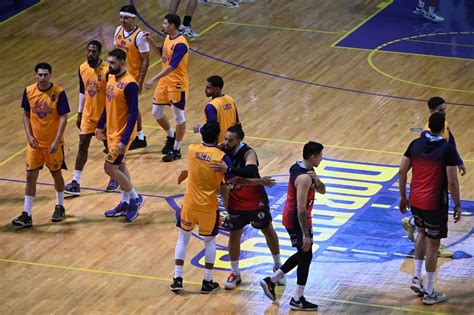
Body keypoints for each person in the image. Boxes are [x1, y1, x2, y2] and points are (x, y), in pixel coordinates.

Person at [171, 121, 275, 294]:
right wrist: (261, 181)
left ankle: (177, 279)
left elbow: (198, 164)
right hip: (208, 206)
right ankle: (207, 281)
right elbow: (236, 181)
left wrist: (188, 172)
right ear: (219, 136)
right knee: (209, 241)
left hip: (189, 204)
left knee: (182, 239)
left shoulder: (191, 149)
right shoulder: (221, 157)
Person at [209, 124, 282, 290]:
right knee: (234, 235)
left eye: (230, 140)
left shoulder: (249, 152)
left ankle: (278, 267)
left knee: (267, 230)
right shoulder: (222, 150)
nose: (226, 142)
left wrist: (228, 169)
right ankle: (235, 272)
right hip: (235, 201)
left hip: (255, 199)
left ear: (239, 140)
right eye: (225, 138)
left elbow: (250, 170)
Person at [399, 112, 462, 305]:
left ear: (427, 127)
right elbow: (452, 182)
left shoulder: (415, 144)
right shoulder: (447, 149)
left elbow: (402, 170)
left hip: (416, 201)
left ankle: (417, 278)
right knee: (433, 247)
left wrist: (402, 196)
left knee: (421, 234)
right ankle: (429, 292)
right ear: (443, 128)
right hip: (435, 204)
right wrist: (458, 204)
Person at [260, 141, 325, 311]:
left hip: (297, 217)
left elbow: (323, 190)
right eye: (320, 156)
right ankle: (296, 298)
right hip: (297, 219)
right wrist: (305, 234)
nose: (322, 159)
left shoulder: (301, 167)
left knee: (305, 254)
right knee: (306, 252)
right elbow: (301, 208)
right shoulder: (303, 178)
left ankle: (273, 280)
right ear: (313, 157)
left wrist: (317, 181)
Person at [401, 96, 466, 257]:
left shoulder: (444, 125)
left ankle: (410, 223)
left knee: (431, 217)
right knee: (435, 215)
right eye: (440, 110)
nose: (444, 113)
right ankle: (436, 247)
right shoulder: (426, 132)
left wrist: (458, 161)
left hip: (440, 174)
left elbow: (451, 143)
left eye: (445, 110)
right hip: (433, 179)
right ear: (431, 112)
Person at [12, 62, 70, 228]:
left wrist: (56, 140)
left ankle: (60, 206)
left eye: (46, 74)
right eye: (40, 74)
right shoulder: (29, 91)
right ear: (36, 75)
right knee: (30, 176)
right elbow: (25, 113)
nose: (43, 77)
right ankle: (27, 213)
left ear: (50, 75)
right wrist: (29, 135)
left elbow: (64, 117)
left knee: (56, 174)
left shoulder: (58, 93)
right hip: (35, 143)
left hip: (53, 144)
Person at [95, 49, 144, 222]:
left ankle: (135, 198)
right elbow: (107, 104)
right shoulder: (110, 77)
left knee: (109, 168)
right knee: (120, 166)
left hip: (122, 133)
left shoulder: (130, 84)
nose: (110, 66)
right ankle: (125, 202)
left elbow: (133, 113)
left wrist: (124, 140)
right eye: (109, 62)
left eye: (113, 63)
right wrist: (100, 124)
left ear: (123, 62)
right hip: (112, 131)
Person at [64, 40, 118, 196]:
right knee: (82, 145)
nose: (90, 54)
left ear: (99, 53)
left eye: (94, 51)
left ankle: (114, 178)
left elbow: (112, 95)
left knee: (110, 148)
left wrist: (109, 117)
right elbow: (83, 91)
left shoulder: (107, 71)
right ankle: (76, 181)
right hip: (88, 115)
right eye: (89, 51)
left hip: (105, 116)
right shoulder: (82, 68)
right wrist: (80, 113)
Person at [145, 13, 189, 162]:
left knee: (179, 117)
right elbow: (162, 55)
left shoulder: (181, 44)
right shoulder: (168, 38)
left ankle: (176, 150)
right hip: (165, 82)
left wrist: (153, 78)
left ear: (172, 26)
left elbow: (171, 66)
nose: (162, 26)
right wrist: (150, 40)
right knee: (156, 112)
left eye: (164, 23)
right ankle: (171, 135)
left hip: (177, 83)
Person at [114, 5, 149, 150]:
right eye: (121, 17)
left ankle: (138, 136)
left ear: (133, 18)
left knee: (131, 107)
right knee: (126, 107)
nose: (123, 20)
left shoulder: (139, 36)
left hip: (132, 78)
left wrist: (140, 81)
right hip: (119, 76)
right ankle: (138, 136)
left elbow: (146, 60)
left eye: (126, 18)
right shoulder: (118, 30)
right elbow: (115, 53)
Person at [192, 75, 239, 144]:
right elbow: (237, 123)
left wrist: (199, 128)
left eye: (208, 88)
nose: (205, 90)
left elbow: (211, 131)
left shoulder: (211, 106)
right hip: (232, 142)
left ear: (217, 89)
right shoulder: (231, 100)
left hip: (220, 144)